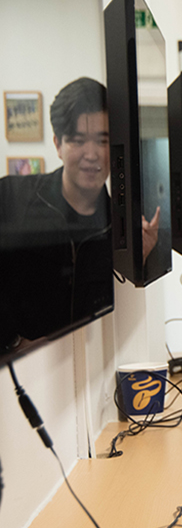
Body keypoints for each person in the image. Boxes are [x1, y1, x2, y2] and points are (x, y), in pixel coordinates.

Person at [0, 77, 112, 353]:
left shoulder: (122, 227)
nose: (91, 154)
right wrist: (12, 341)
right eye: (78, 140)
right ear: (58, 145)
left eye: (102, 141)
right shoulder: (11, 198)